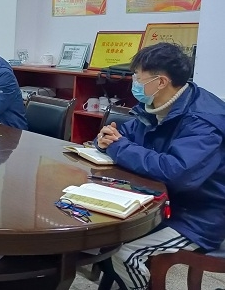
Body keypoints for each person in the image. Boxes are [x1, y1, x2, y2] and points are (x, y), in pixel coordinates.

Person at [96, 42, 225, 289]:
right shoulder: (155, 106)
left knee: (123, 253)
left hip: (197, 217)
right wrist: (104, 139)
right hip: (157, 202)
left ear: (161, 82)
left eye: (138, 76)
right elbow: (123, 135)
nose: (133, 82)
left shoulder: (203, 121)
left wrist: (118, 146)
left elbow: (176, 172)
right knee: (102, 238)